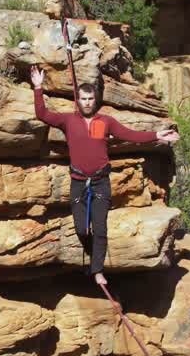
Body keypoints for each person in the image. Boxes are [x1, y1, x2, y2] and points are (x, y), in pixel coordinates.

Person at [30, 65, 179, 286]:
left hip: (101, 183)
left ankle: (97, 269)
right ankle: (92, 254)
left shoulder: (106, 122)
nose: (87, 102)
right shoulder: (68, 121)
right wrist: (38, 87)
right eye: (83, 99)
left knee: (100, 228)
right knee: (82, 229)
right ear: (78, 100)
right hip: (79, 182)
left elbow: (131, 135)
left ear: (95, 100)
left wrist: (157, 135)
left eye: (90, 99)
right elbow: (42, 114)